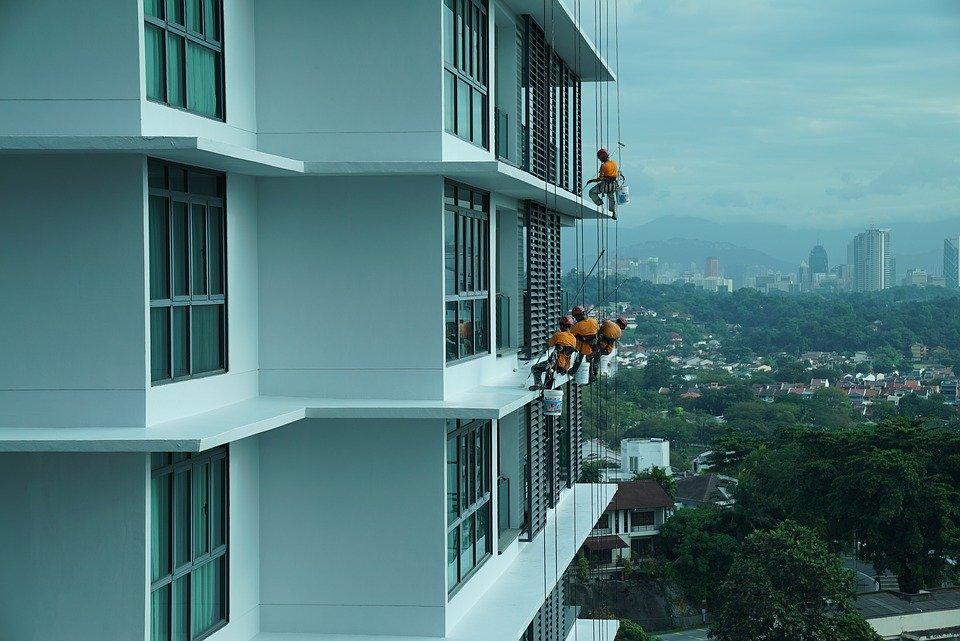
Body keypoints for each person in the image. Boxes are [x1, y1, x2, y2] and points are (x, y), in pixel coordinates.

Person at [530, 316, 578, 390]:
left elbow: (549, 344)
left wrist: (554, 336)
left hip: (555, 363)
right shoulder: (574, 339)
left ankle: (538, 384)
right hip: (565, 366)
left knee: (535, 368)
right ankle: (547, 390)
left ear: (561, 325)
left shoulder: (558, 335)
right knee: (549, 375)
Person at [589, 316, 628, 381]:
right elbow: (611, 342)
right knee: (596, 359)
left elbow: (599, 330)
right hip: (606, 349)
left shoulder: (608, 322)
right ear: (621, 326)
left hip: (599, 343)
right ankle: (594, 374)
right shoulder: (619, 333)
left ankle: (592, 373)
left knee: (591, 357)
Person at [585, 148, 620, 217]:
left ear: (602, 157)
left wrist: (591, 181)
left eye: (599, 158)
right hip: (614, 185)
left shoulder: (603, 166)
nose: (599, 160)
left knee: (591, 192)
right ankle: (613, 213)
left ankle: (599, 203)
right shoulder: (614, 163)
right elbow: (616, 174)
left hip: (605, 186)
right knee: (611, 197)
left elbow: (600, 179)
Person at [569, 305, 599, 381]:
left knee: (579, 358)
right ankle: (592, 375)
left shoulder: (577, 326)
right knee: (590, 360)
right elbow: (597, 330)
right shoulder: (594, 321)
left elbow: (569, 335)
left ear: (577, 316)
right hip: (594, 348)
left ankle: (572, 371)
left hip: (583, 348)